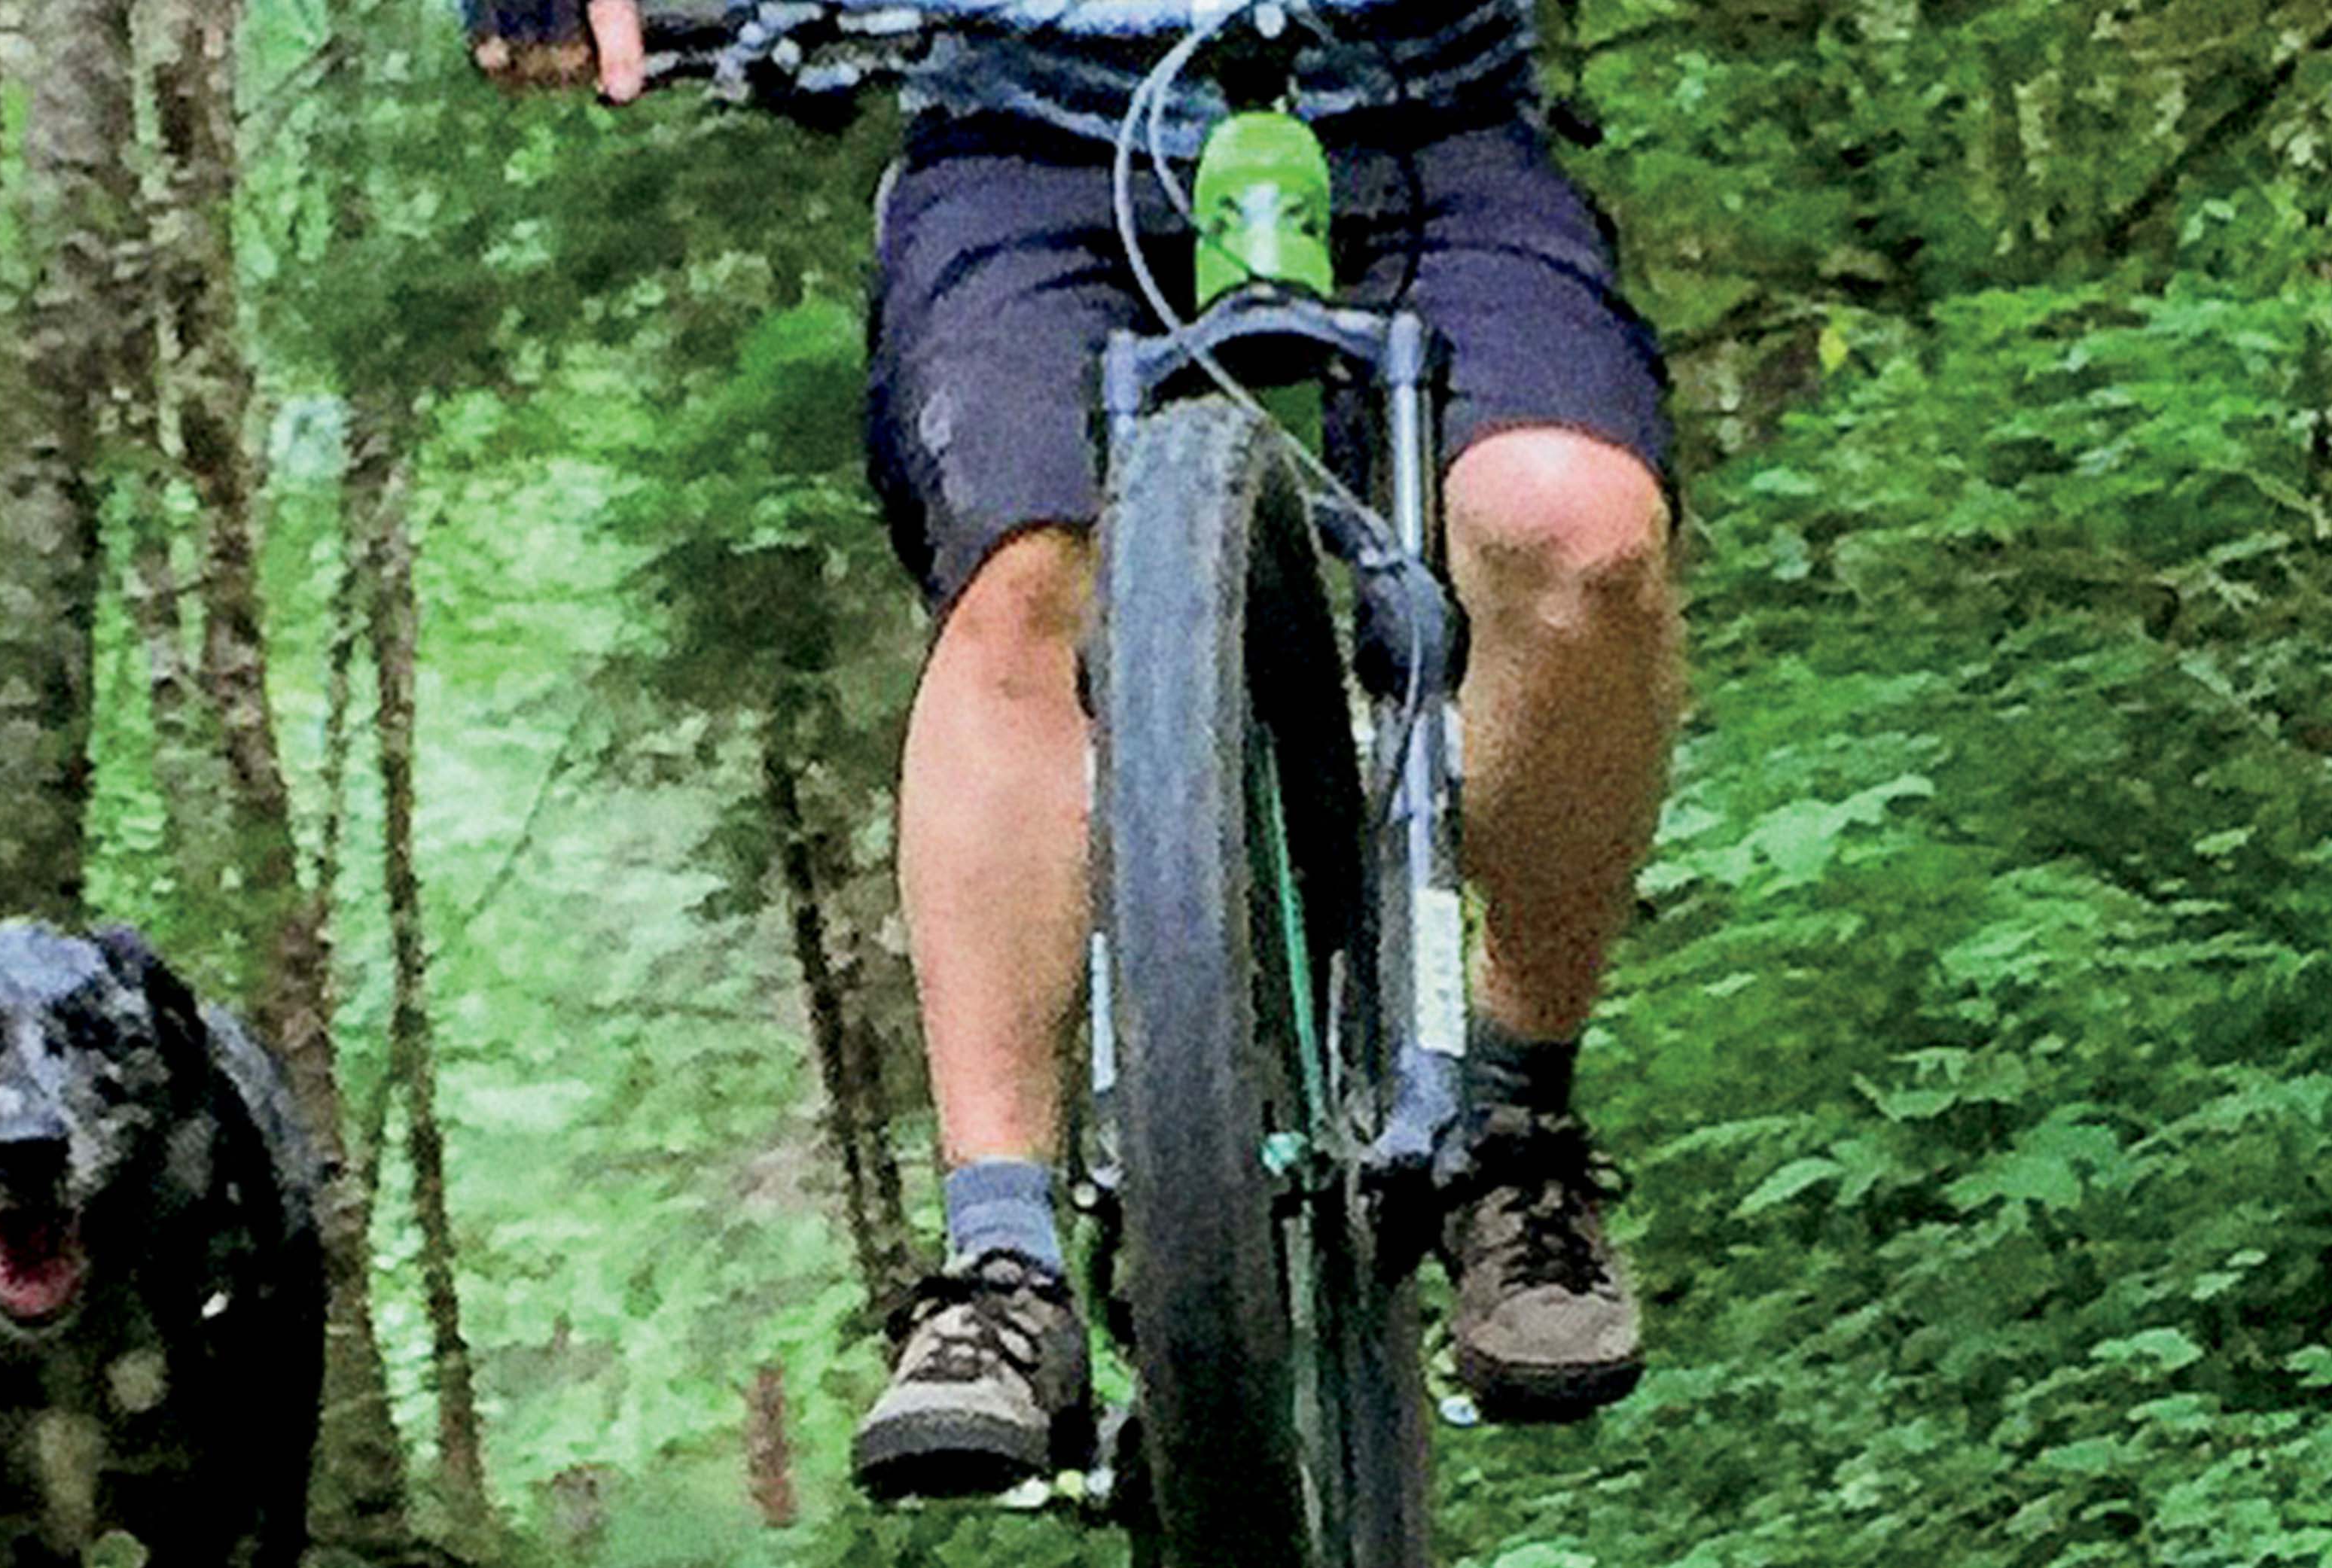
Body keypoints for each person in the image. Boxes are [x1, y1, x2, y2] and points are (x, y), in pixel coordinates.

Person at [475, 0, 1679, 1499]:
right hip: (1028, 146)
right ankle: (1001, 1263)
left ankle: (1515, 1125)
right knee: (1021, 579)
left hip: (1420, 120)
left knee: (1579, 535)